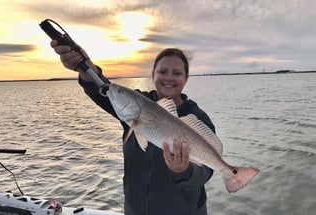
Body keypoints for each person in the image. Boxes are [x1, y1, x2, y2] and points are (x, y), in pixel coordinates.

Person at [50, 40, 217, 215]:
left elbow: (207, 170)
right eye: (162, 71)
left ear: (186, 77)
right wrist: (84, 66)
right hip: (135, 209)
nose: (168, 77)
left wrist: (185, 171)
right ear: (153, 74)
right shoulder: (134, 106)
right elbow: (103, 90)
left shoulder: (197, 117)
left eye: (177, 73)